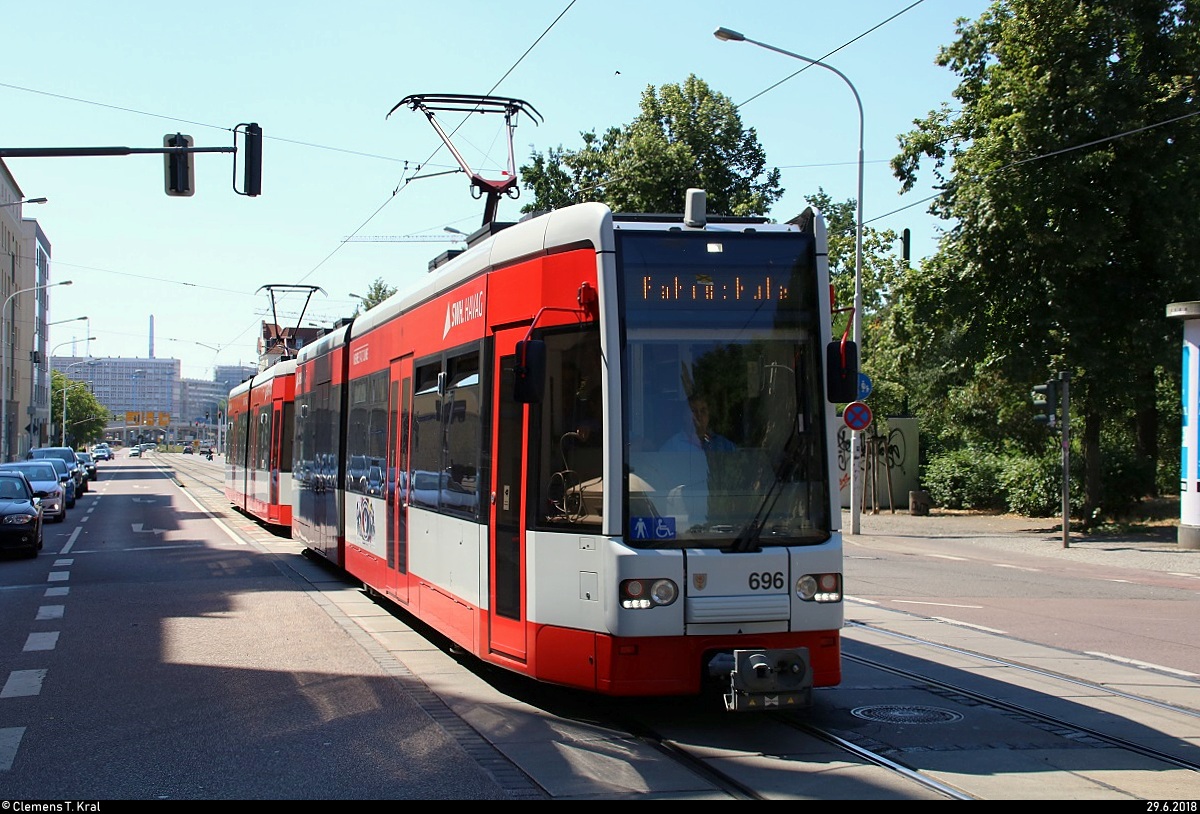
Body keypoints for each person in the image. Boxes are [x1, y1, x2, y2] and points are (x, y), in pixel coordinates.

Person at [661, 395, 734, 454]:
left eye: (703, 411)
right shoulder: (672, 446)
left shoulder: (723, 445)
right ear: (684, 416)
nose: (699, 415)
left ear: (708, 416)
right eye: (693, 411)